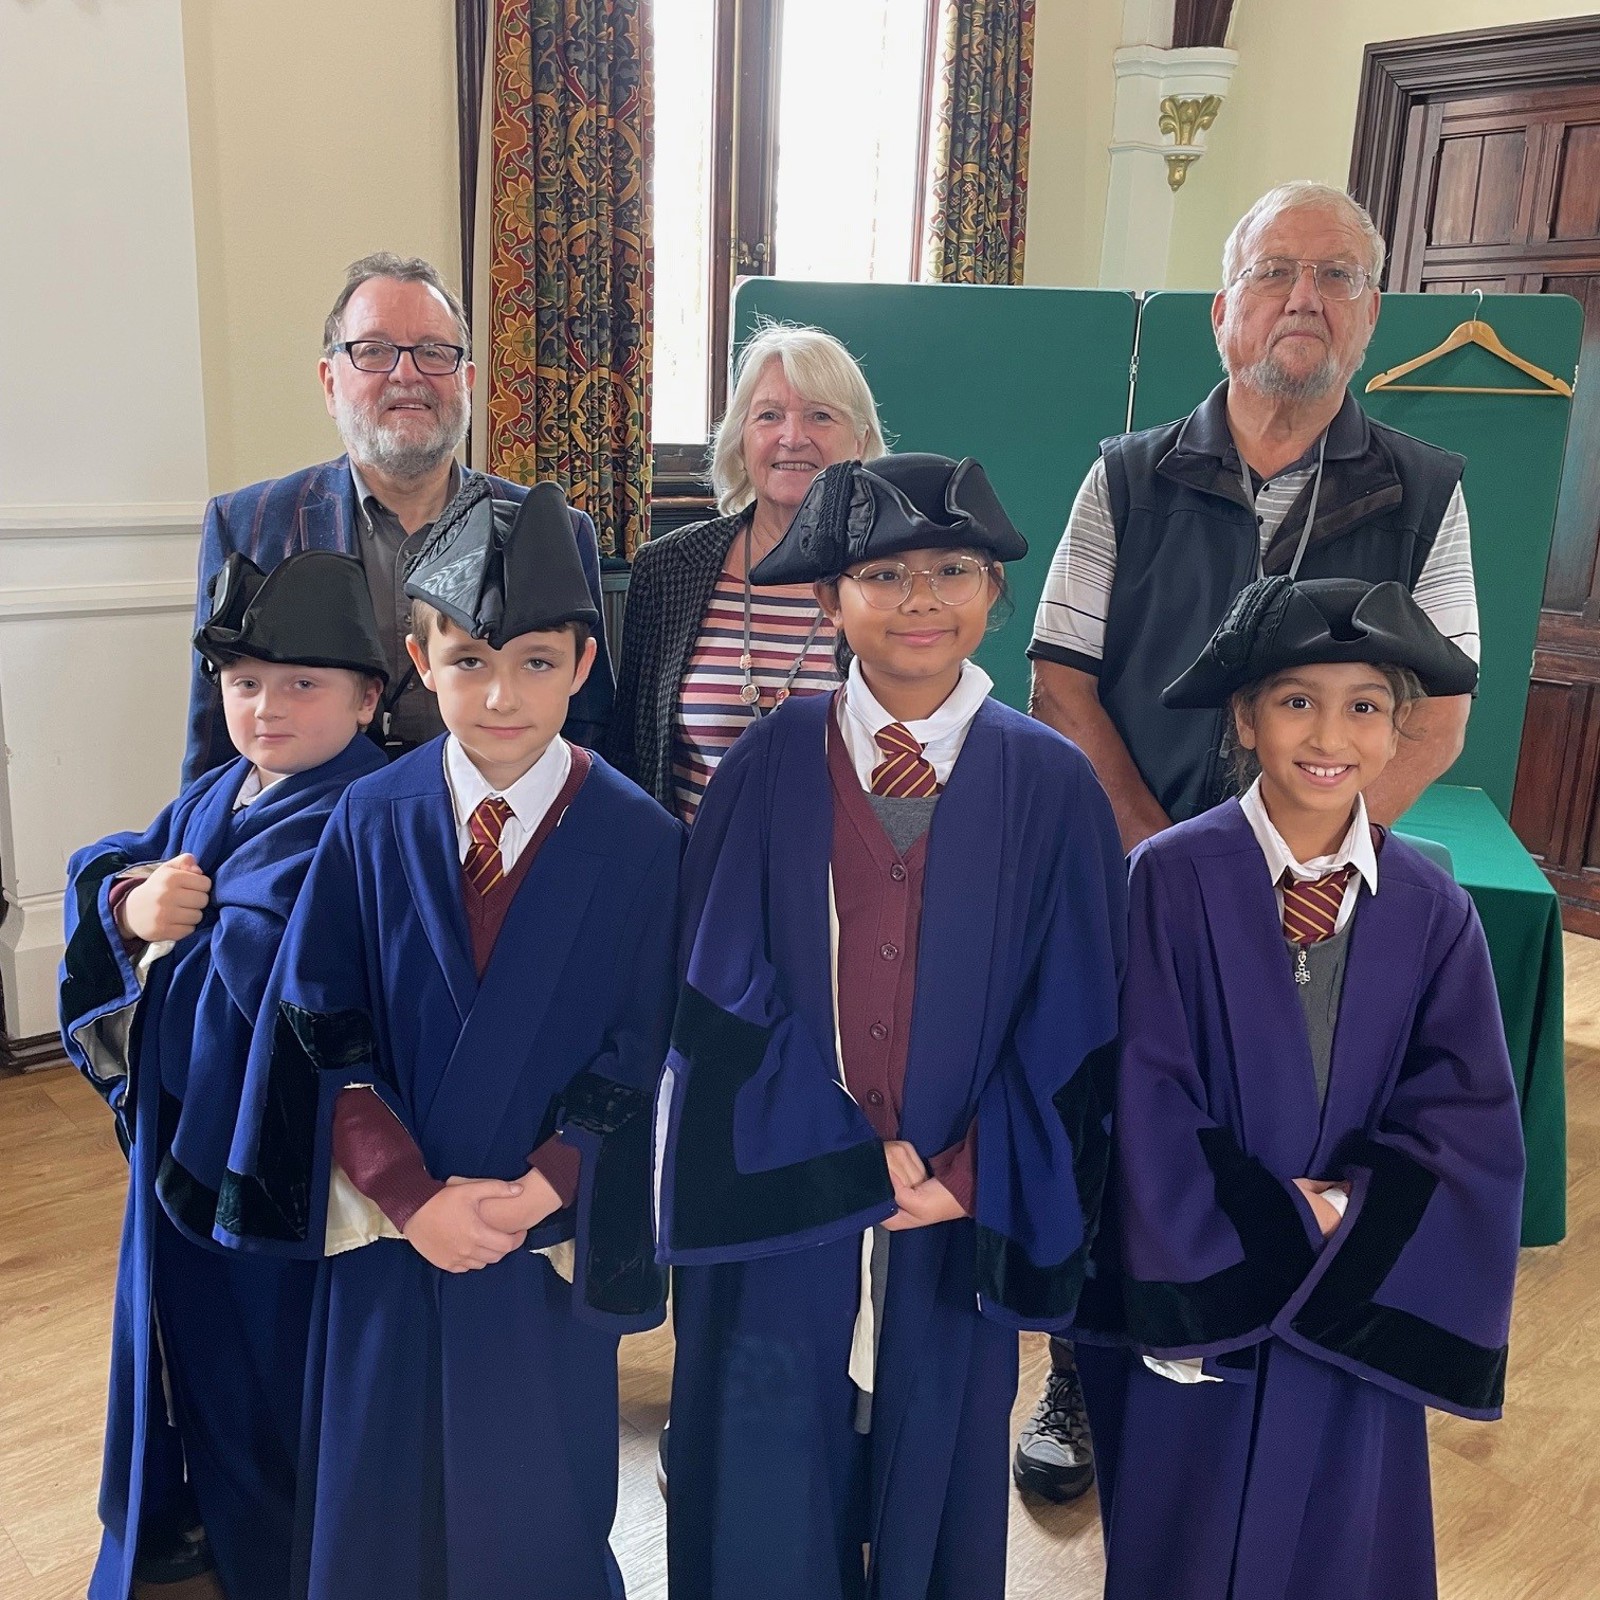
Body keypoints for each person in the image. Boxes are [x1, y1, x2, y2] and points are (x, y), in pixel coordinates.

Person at [1016, 178, 1482, 1502]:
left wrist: (1306, 861)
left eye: (1335, 276)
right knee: (1125, 1130)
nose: (1302, 298)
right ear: (1223, 311)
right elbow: (1060, 685)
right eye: (1275, 272)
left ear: (1371, 316)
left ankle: (1279, 1346)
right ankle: (1081, 1375)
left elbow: (1436, 719)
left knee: (1282, 1129)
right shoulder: (1126, 474)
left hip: (1317, 899)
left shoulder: (1426, 490)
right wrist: (1184, 870)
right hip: (1133, 883)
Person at [654, 455, 1127, 1599]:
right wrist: (835, 1162)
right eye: (882, 573)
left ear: (994, 593)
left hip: (954, 1210)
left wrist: (974, 1168)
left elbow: (1076, 1009)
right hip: (787, 1199)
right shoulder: (764, 767)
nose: (920, 598)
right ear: (828, 597)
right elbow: (715, 990)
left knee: (935, 1470)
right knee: (767, 1470)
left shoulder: (1053, 785)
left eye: (952, 569)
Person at [216, 480, 678, 1600]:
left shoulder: (641, 840)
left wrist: (542, 1186)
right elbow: (319, 1020)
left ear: (582, 664)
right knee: (380, 1488)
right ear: (422, 662)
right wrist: (411, 1195)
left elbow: (648, 1042)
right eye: (469, 660)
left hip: (541, 1235)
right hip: (393, 1228)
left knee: (535, 1495)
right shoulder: (370, 818)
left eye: (536, 661)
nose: (502, 694)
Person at [1076, 576, 1522, 1600]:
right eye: (1295, 700)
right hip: (1208, 1290)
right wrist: (1270, 1217)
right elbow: (1140, 1089)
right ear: (1244, 718)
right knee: (1185, 1534)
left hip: (1344, 1287)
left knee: (1338, 1538)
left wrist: (1351, 1211)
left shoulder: (1432, 908)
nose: (1329, 734)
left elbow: (1468, 1117)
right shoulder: (1168, 880)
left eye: (1364, 704)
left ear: (1399, 727)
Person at [58, 553, 390, 1600]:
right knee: (196, 1353)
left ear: (369, 697)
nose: (267, 707)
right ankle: (214, 1535)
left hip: (284, 1164)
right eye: (244, 683)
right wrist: (129, 904)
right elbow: (127, 864)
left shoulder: (377, 812)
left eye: (302, 684)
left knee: (279, 1376)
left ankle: (293, 1564)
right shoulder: (220, 791)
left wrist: (199, 938)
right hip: (183, 1138)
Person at [182, 251, 612, 783]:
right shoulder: (247, 523)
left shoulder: (554, 530)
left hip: (496, 826)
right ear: (330, 383)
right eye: (374, 351)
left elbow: (587, 728)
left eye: (433, 352)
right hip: (312, 829)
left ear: (467, 381)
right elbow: (215, 742)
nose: (406, 373)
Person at [609, 322, 887, 823]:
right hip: (690, 867)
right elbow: (629, 752)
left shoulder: (890, 575)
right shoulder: (668, 568)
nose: (792, 437)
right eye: (769, 415)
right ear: (740, 437)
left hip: (837, 872)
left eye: (820, 416)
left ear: (860, 440)